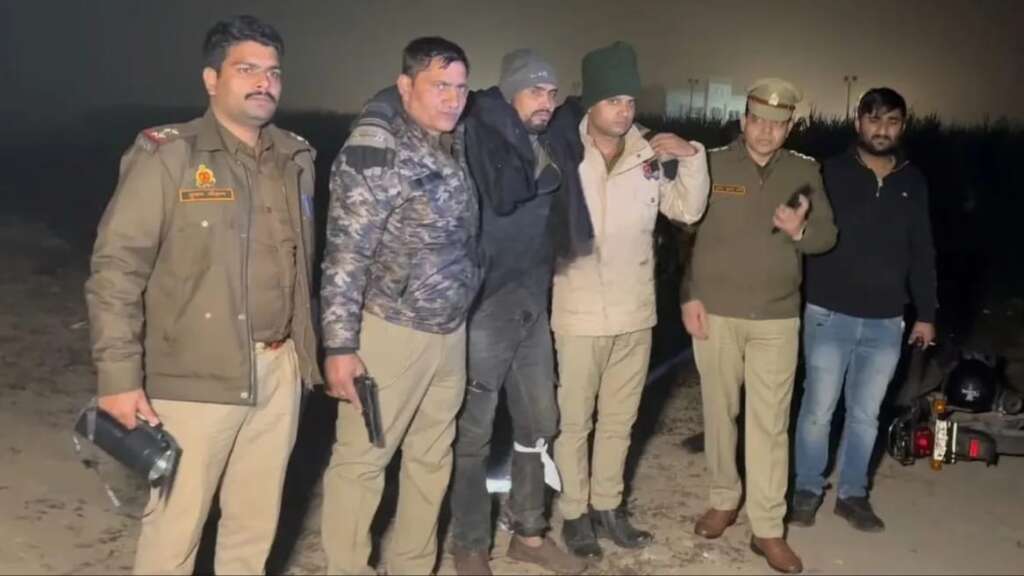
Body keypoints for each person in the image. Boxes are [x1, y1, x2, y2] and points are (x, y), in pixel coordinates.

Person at [84, 14, 320, 574]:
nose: (264, 82)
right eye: (247, 70)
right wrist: (118, 378)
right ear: (212, 79)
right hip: (194, 380)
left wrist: (303, 361)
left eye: (273, 72)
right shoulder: (170, 156)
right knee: (174, 535)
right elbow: (116, 270)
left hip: (277, 372)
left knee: (252, 531)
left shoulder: (295, 158)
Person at [318, 36, 479, 575]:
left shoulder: (449, 140)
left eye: (461, 87)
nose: (453, 98)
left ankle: (412, 566)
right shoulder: (376, 153)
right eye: (440, 86)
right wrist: (340, 347)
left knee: (432, 460)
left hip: (449, 332)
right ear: (405, 86)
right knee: (363, 462)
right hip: (390, 332)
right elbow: (345, 255)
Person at [550, 41, 710, 561]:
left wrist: (690, 157)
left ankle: (608, 507)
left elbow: (687, 210)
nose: (624, 110)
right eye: (613, 100)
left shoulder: (647, 154)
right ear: (591, 102)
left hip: (634, 312)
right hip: (577, 311)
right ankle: (574, 513)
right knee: (575, 423)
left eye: (629, 100)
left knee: (620, 421)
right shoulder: (562, 148)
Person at [682, 78, 837, 574]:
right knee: (719, 414)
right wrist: (688, 295)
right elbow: (688, 237)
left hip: (776, 317)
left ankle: (768, 527)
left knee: (770, 424)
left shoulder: (805, 171)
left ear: (789, 127)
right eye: (758, 120)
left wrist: (801, 230)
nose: (766, 131)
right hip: (716, 312)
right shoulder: (710, 163)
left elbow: (826, 237)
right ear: (743, 120)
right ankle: (723, 499)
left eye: (777, 123)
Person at [791, 87, 937, 532]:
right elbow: (797, 229)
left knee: (866, 415)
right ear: (858, 123)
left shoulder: (913, 181)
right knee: (817, 410)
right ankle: (806, 489)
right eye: (874, 119)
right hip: (828, 313)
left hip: (886, 321)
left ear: (902, 126)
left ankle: (853, 495)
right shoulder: (828, 172)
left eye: (891, 121)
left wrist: (926, 314)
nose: (881, 129)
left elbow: (922, 251)